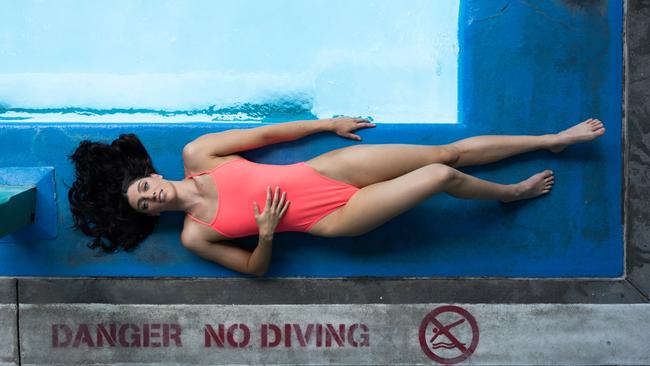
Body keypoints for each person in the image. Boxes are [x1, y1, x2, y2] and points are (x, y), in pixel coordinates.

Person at [68, 116, 605, 276]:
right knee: (439, 179)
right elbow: (256, 269)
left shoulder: (198, 153)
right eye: (144, 205)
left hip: (328, 169)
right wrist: (269, 233)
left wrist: (329, 123)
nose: (152, 197)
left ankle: (550, 140)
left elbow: (268, 138)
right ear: (149, 215)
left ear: (149, 174)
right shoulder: (196, 235)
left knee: (446, 154)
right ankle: (509, 192)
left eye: (144, 188)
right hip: (337, 218)